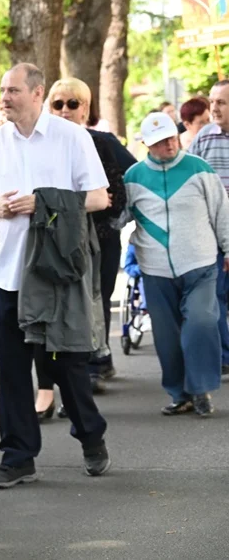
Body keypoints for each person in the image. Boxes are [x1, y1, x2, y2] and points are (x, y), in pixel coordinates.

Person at [0, 64, 112, 488]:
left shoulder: (72, 137)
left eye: (12, 90)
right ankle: (17, 457)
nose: (5, 97)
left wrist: (44, 203)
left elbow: (100, 197)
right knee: (12, 370)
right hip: (8, 273)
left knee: (67, 365)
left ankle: (91, 436)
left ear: (37, 93)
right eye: (1, 90)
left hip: (56, 274)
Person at [40, 79, 135, 415]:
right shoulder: (42, 143)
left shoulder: (102, 141)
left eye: (73, 103)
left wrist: (114, 210)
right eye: (58, 103)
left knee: (94, 300)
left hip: (100, 238)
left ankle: (93, 364)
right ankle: (81, 368)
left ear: (86, 108)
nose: (65, 110)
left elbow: (134, 173)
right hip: (54, 242)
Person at [125, 113, 229, 416]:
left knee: (201, 322)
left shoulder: (199, 169)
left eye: (171, 137)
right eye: (160, 141)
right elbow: (121, 216)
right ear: (147, 144)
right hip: (155, 268)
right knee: (166, 335)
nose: (169, 144)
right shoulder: (133, 177)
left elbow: (222, 212)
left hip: (200, 263)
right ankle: (178, 393)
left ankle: (201, 390)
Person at [188, 80, 229, 377]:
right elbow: (192, 179)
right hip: (214, 231)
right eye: (212, 101)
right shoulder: (204, 137)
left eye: (222, 102)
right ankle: (225, 356)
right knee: (216, 296)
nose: (214, 107)